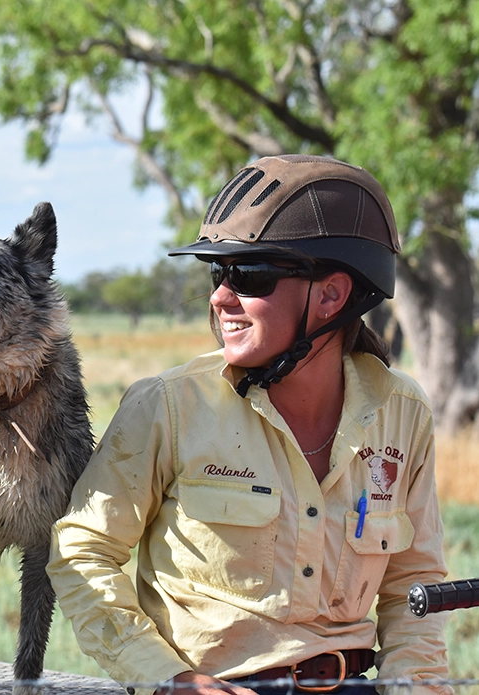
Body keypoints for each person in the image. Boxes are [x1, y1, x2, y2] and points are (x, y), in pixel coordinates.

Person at [47, 154, 451, 695]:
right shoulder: (167, 407)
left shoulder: (402, 415)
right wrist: (170, 679)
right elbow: (82, 552)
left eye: (251, 274)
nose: (220, 296)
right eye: (219, 272)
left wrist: (413, 689)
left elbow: (413, 587)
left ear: (332, 295)